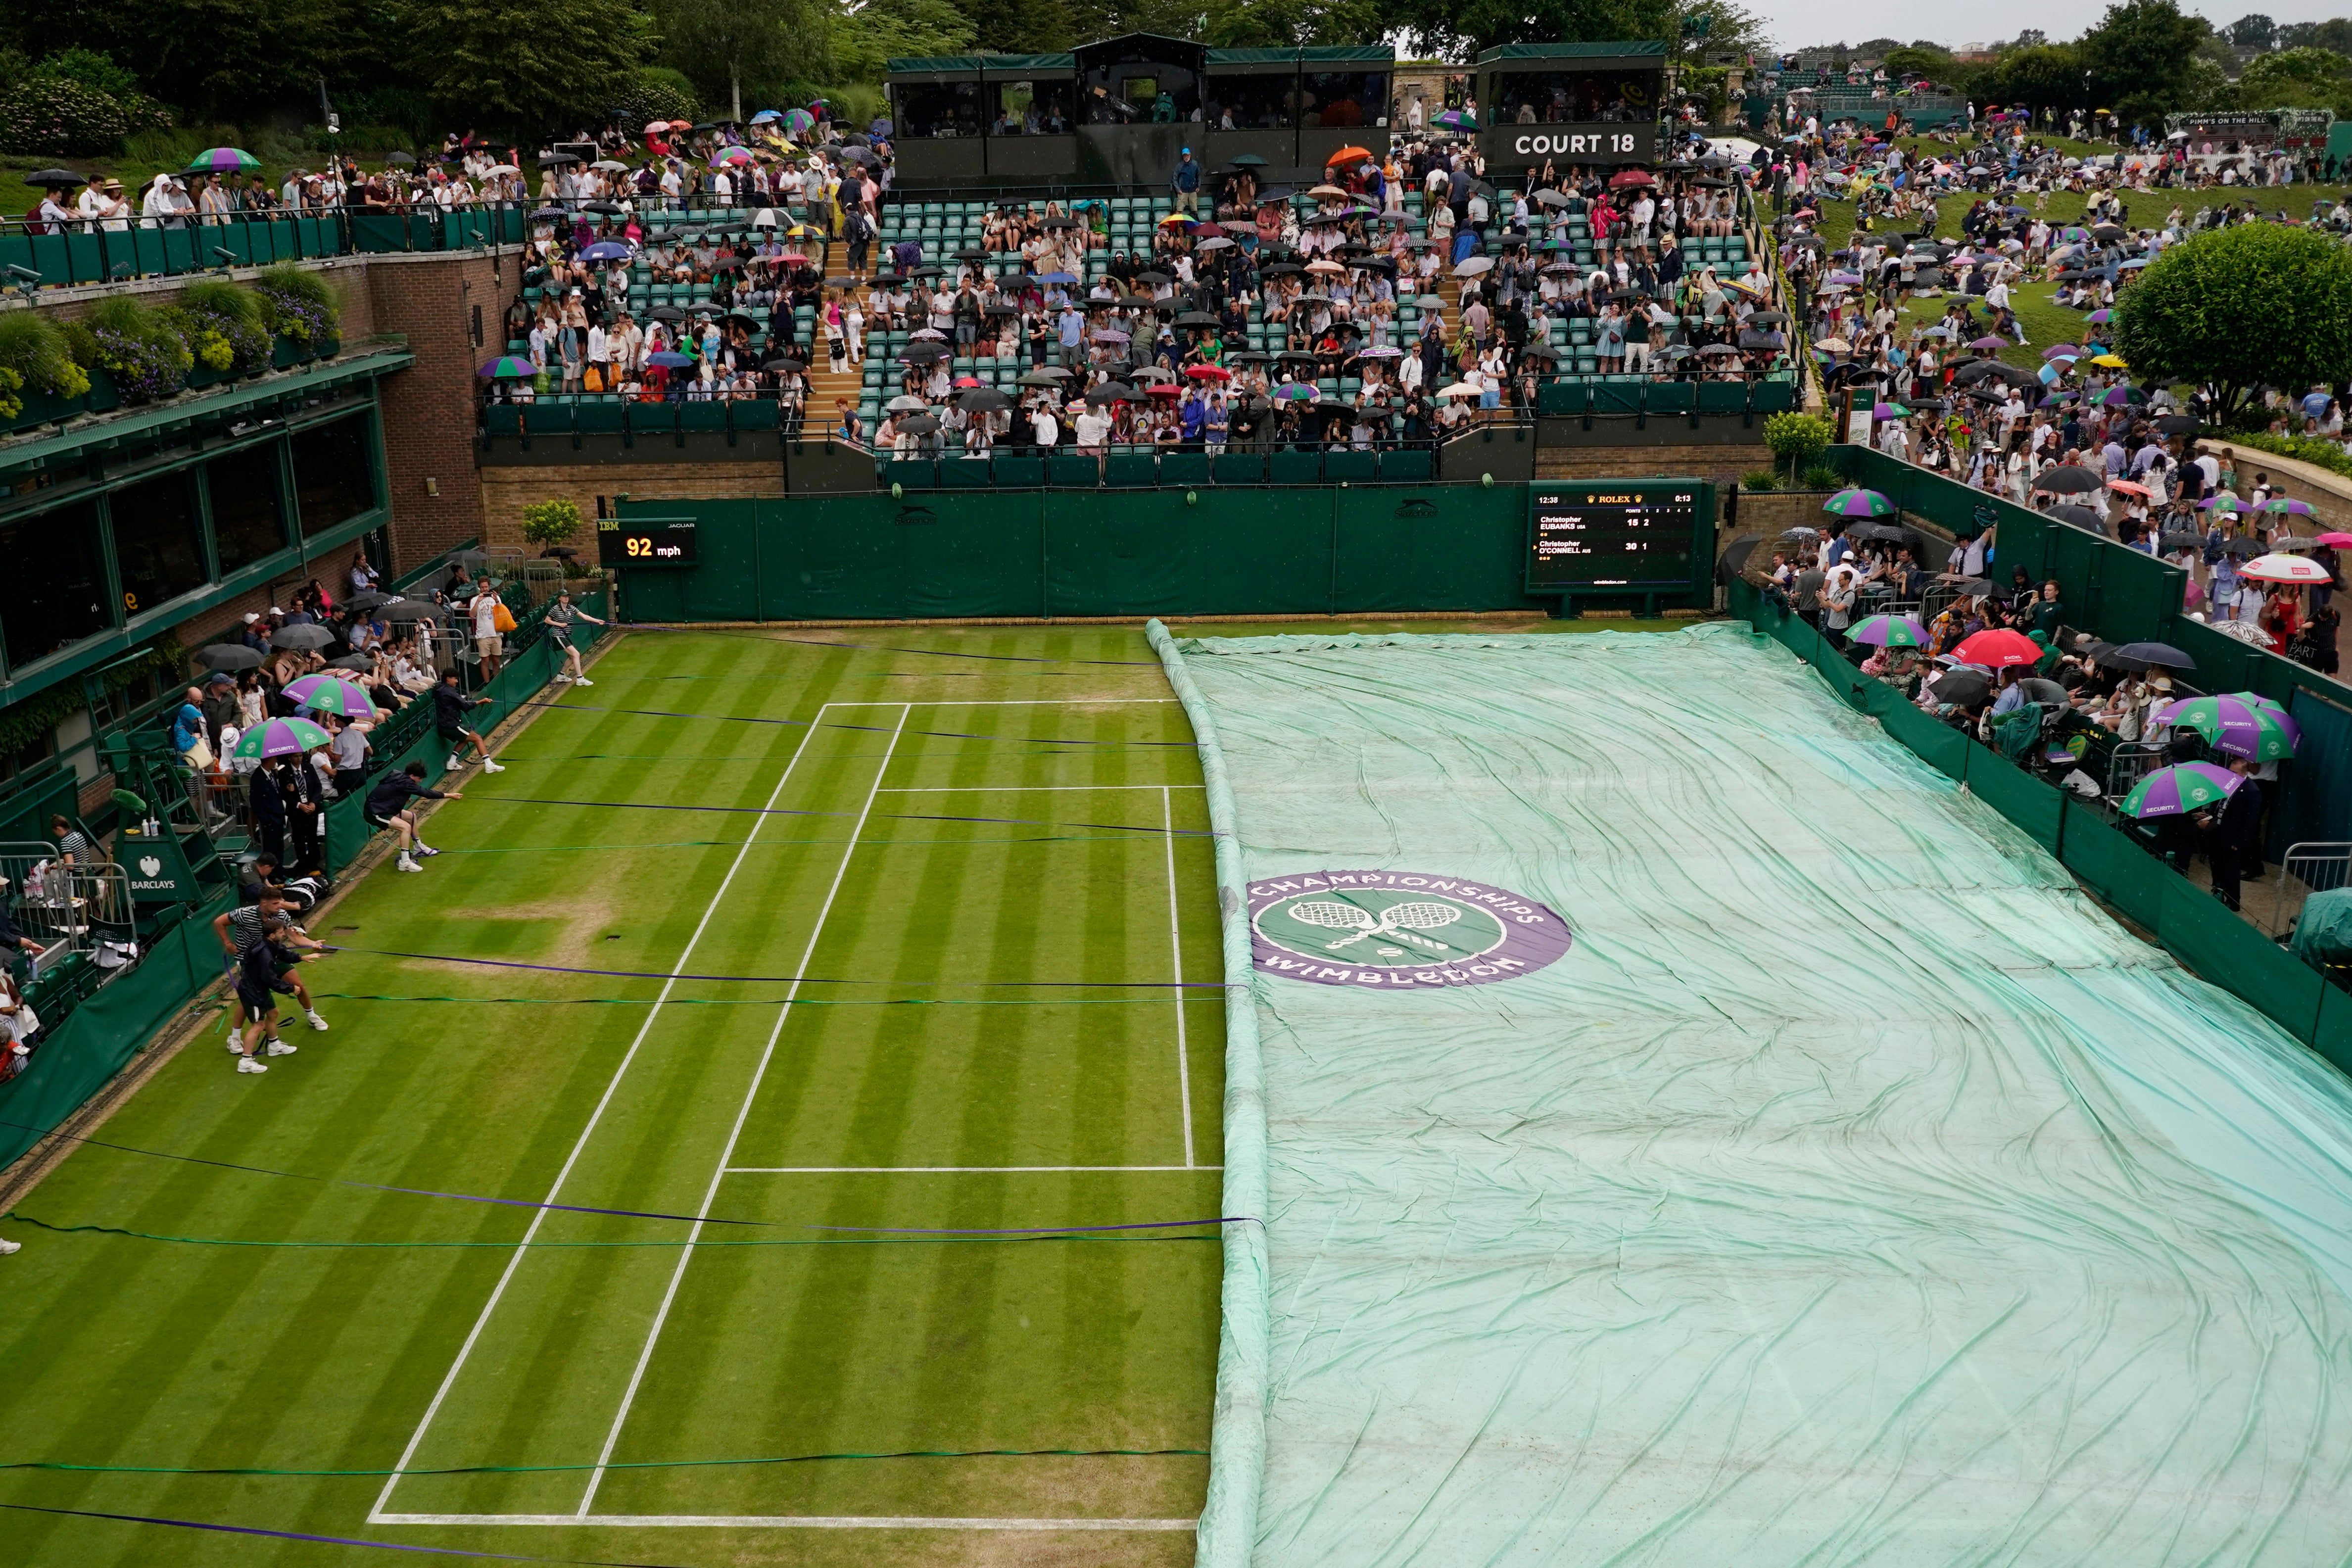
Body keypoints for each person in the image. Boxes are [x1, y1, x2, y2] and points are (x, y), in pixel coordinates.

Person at [213, 895, 330, 1039]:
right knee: (249, 1000)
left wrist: (313, 943)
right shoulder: (243, 914)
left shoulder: (281, 914)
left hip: (275, 957)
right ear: (264, 902)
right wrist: (228, 944)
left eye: (280, 902)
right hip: (251, 964)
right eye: (275, 903)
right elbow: (219, 922)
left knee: (299, 985)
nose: (280, 906)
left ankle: (312, 1016)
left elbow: (295, 937)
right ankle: (235, 1038)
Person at [232, 919, 315, 1074]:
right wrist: (290, 987)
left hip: (258, 988)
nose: (284, 934)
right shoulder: (265, 955)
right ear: (272, 935)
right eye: (281, 933)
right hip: (253, 991)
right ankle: (246, 1062)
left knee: (273, 1013)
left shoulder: (269, 943)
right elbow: (269, 978)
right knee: (258, 1025)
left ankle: (274, 1046)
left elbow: (282, 953)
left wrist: (301, 958)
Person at [366, 761, 461, 873]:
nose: (420, 782)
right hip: (375, 812)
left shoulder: (398, 775)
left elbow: (390, 790)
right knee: (405, 827)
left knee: (411, 817)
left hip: (385, 807)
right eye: (419, 779)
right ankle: (405, 863)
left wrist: (402, 797)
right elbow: (427, 793)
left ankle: (418, 848)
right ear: (412, 776)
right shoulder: (406, 783)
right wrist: (450, 795)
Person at [2206, 755, 2263, 911]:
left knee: (2230, 871)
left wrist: (2239, 842)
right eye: (2230, 771)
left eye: (2235, 773)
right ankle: (2217, 890)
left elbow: (2251, 821)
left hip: (2232, 838)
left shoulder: (2252, 791)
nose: (2231, 775)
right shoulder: (2226, 782)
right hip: (2216, 832)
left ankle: (2233, 902)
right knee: (2216, 865)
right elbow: (2217, 803)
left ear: (2244, 774)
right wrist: (2210, 818)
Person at [434, 670, 503, 773]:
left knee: (465, 739)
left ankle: (452, 763)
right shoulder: (449, 692)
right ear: (448, 679)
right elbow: (466, 706)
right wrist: (482, 701)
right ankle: (489, 765)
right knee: (477, 738)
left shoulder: (439, 689)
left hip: (445, 724)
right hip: (451, 725)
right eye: (455, 679)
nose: (457, 681)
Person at [545, 590, 607, 685]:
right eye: (564, 596)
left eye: (567, 596)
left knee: (572, 657)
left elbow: (584, 617)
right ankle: (580, 678)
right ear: (559, 598)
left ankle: (561, 676)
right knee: (576, 654)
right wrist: (559, 624)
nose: (566, 598)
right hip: (558, 635)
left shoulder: (571, 608)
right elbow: (547, 620)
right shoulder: (555, 609)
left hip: (566, 635)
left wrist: (597, 621)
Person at [469, 581, 506, 679]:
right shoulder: (474, 600)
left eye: (486, 587)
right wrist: (479, 601)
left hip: (496, 633)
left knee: (496, 660)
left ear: (489, 586)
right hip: (483, 635)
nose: (485, 589)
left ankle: (496, 681)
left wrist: (497, 601)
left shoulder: (496, 598)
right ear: (479, 588)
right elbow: (472, 615)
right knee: (485, 661)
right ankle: (487, 683)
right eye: (482, 587)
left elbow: (502, 611)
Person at [1171, 148, 1202, 217]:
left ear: (1190, 155)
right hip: (1183, 191)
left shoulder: (1195, 164)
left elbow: (1199, 176)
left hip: (1193, 190)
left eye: (1187, 155)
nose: (1186, 157)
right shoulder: (1180, 166)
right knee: (1179, 210)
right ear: (1183, 156)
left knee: (1194, 211)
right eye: (1185, 156)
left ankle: (1195, 226)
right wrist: (1178, 189)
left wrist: (1198, 186)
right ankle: (1177, 225)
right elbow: (1174, 178)